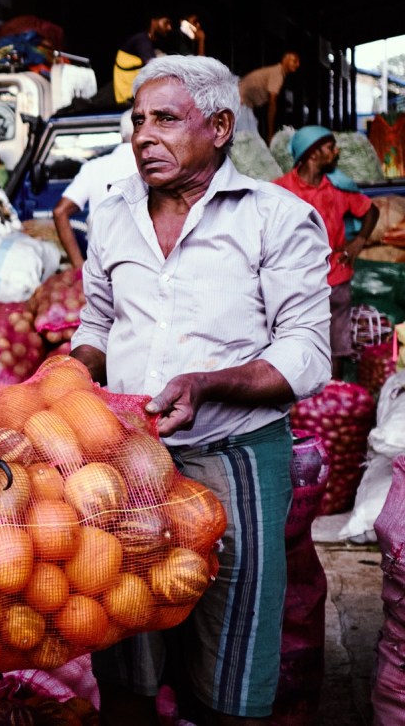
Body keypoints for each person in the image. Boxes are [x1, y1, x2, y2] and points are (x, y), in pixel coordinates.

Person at [70, 55, 331, 726]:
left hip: (234, 452)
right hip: (128, 457)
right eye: (136, 122)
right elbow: (98, 317)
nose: (143, 136)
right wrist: (73, 371)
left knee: (232, 646)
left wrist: (208, 383)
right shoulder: (113, 212)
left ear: (218, 127)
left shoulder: (276, 217)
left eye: (164, 119)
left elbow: (305, 348)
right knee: (124, 632)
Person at [273, 125, 379, 372]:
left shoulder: (337, 188)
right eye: (330, 148)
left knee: (337, 347)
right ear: (312, 153)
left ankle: (334, 397)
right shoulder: (279, 190)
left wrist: (360, 240)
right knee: (297, 345)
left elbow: (371, 210)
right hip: (296, 283)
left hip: (336, 279)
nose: (336, 152)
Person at [50, 110, 138, 271]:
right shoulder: (156, 168)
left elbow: (59, 211)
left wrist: (78, 267)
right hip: (142, 267)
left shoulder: (93, 168)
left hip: (101, 266)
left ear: (121, 135)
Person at [112, 14, 205, 104]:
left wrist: (199, 41)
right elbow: (156, 68)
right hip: (128, 97)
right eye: (166, 23)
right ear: (154, 22)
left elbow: (192, 65)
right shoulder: (142, 40)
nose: (169, 27)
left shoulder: (158, 41)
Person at [238, 50, 301, 142]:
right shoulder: (277, 74)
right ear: (284, 59)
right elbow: (272, 103)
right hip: (239, 101)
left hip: (243, 102)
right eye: (294, 61)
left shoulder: (277, 72)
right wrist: (270, 132)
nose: (297, 64)